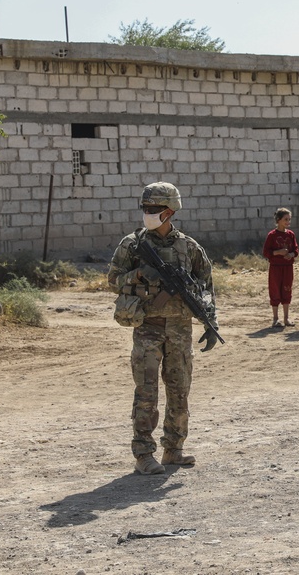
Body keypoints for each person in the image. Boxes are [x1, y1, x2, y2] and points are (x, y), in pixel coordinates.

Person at [108, 182, 217, 475]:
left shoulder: (189, 247)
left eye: (154, 209)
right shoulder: (132, 245)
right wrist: (140, 274)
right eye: (145, 209)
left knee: (179, 391)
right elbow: (113, 280)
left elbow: (206, 285)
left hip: (180, 329)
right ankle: (144, 453)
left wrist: (210, 320)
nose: (148, 214)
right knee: (146, 393)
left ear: (170, 211)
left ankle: (174, 449)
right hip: (148, 327)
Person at [262, 207, 299, 327]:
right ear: (278, 220)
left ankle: (286, 318)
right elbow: (266, 252)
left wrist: (291, 254)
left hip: (288, 268)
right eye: (285, 219)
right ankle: (275, 318)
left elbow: (296, 250)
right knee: (275, 291)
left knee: (287, 290)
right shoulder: (272, 235)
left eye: (289, 219)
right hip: (275, 268)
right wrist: (278, 252)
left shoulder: (291, 235)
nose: (288, 222)